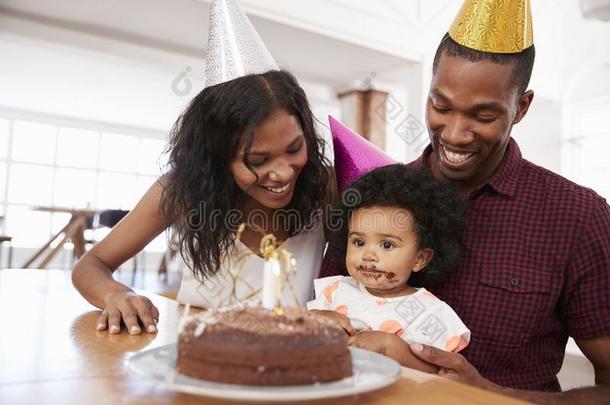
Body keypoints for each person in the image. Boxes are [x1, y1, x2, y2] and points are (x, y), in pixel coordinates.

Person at [322, 0, 610, 402]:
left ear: (521, 107)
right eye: (440, 106)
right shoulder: (373, 197)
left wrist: (491, 395)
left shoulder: (577, 216)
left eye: (484, 116)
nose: (455, 134)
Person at [72, 0, 333, 335]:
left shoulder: (325, 185)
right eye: (258, 160)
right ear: (217, 156)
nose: (283, 173)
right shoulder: (181, 191)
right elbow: (90, 265)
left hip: (295, 363)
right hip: (200, 357)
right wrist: (117, 294)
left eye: (295, 148)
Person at [308, 165, 470, 373]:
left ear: (419, 258)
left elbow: (438, 371)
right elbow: (298, 335)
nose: (368, 255)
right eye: (358, 242)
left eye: (387, 245)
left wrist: (390, 346)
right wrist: (318, 318)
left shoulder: (429, 312)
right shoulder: (336, 291)